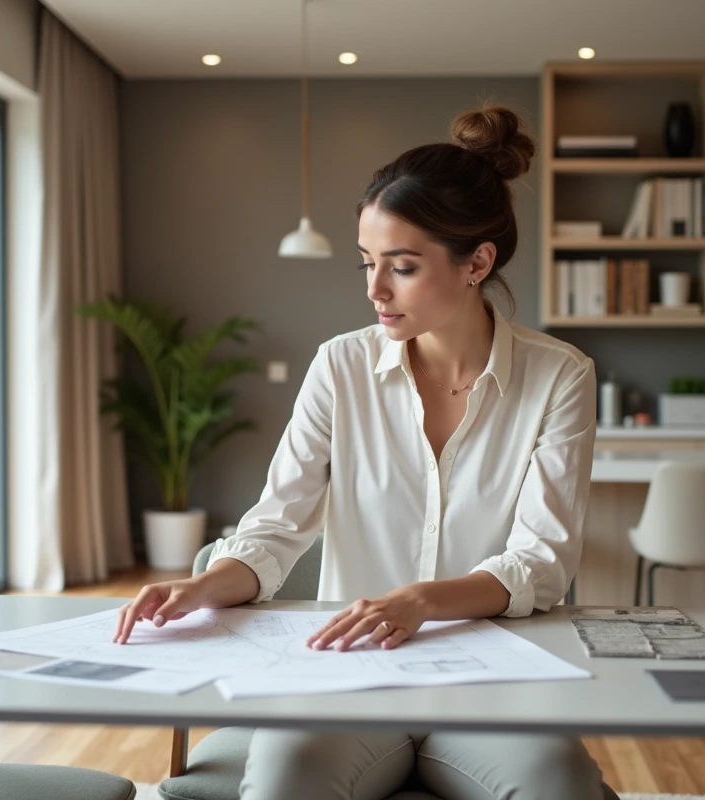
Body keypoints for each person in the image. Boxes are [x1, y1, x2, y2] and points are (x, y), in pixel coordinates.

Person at [115, 105, 616, 800]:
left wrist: (418, 601)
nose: (374, 290)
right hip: (349, 674)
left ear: (478, 262)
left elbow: (541, 562)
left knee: (557, 787)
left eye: (402, 267)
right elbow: (277, 526)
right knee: (284, 783)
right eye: (368, 263)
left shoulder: (561, 375)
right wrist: (202, 584)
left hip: (493, 680)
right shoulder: (339, 368)